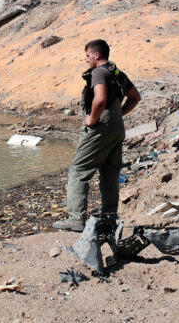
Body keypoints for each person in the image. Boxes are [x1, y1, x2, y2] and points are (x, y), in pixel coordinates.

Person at [54, 39, 141, 232]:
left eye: (87, 56)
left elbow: (100, 98)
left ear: (97, 55)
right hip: (117, 127)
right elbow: (135, 97)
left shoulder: (99, 72)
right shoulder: (117, 72)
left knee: (78, 169)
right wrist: (119, 114)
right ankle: (109, 217)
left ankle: (76, 219)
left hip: (100, 126)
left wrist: (92, 119)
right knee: (110, 173)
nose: (85, 59)